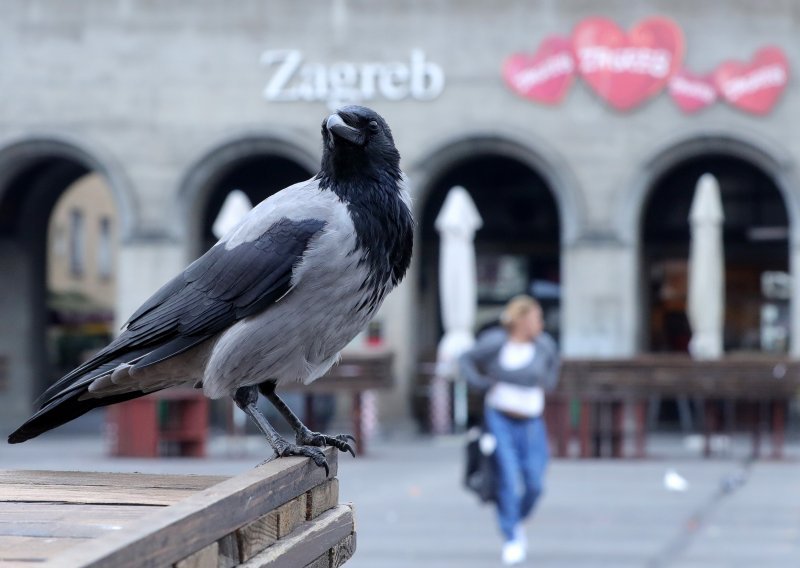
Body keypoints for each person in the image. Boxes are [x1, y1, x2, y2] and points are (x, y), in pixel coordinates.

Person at [459, 295, 560, 566]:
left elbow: (551, 374)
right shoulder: (496, 342)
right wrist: (479, 383)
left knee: (535, 482)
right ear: (522, 319)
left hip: (531, 421)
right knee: (507, 474)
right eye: (536, 317)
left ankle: (515, 521)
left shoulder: (545, 346)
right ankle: (511, 536)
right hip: (499, 418)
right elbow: (466, 359)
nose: (540, 323)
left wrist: (543, 385)